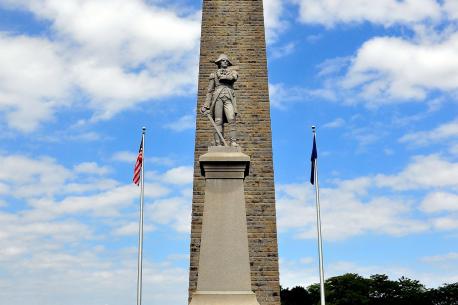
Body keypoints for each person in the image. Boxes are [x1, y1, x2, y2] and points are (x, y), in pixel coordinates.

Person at [201, 54, 238, 146]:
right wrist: (206, 105)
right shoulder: (213, 75)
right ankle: (218, 143)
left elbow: (234, 78)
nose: (225, 62)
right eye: (223, 60)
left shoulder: (232, 72)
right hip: (217, 98)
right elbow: (210, 91)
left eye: (226, 61)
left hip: (228, 98)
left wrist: (225, 77)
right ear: (219, 62)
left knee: (232, 119)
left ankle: (233, 141)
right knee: (218, 121)